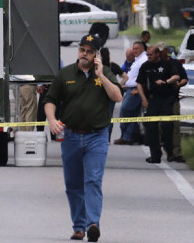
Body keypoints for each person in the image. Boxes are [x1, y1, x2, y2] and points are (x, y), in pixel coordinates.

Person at [44, 34, 123, 242]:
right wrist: (52, 119)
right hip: (71, 136)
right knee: (73, 184)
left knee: (93, 180)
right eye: (82, 50)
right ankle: (79, 226)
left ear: (96, 54)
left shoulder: (104, 73)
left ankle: (93, 223)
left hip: (97, 136)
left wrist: (101, 75)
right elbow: (50, 100)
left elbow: (117, 96)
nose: (84, 55)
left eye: (89, 51)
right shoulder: (66, 74)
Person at [137, 42, 180, 163]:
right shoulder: (145, 66)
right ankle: (155, 155)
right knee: (151, 127)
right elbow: (139, 83)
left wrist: (166, 81)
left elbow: (176, 76)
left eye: (151, 54)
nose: (149, 56)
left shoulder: (167, 64)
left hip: (167, 99)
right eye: (147, 54)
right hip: (152, 100)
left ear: (157, 54)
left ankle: (170, 153)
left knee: (167, 127)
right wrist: (144, 99)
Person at [114, 41, 147, 145]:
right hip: (129, 88)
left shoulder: (144, 60)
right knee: (131, 114)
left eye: (137, 48)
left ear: (142, 49)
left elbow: (146, 77)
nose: (135, 51)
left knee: (125, 111)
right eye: (134, 49)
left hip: (135, 90)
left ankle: (126, 136)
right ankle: (126, 136)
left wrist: (138, 90)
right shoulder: (137, 60)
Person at [162, 45, 188, 162]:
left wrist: (178, 85)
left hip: (173, 99)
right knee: (161, 127)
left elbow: (184, 79)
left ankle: (176, 152)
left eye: (161, 51)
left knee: (175, 127)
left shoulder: (175, 64)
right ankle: (163, 149)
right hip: (159, 100)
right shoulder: (155, 64)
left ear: (166, 51)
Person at [100, 47, 126, 142]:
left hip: (100, 94)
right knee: (109, 116)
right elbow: (125, 77)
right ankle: (107, 137)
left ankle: (100, 137)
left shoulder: (98, 67)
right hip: (111, 93)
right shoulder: (113, 66)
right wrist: (119, 86)